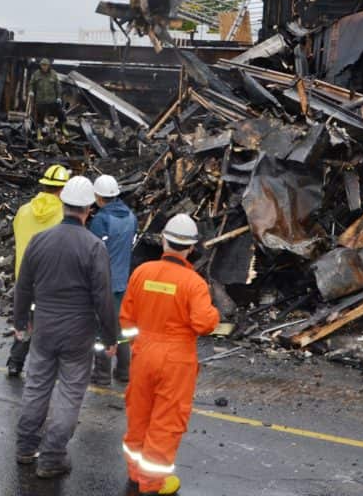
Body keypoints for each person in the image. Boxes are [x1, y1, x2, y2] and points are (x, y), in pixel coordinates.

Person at [14, 176, 117, 479]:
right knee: (70, 394)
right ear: (88, 209)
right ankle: (52, 457)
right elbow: (103, 298)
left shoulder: (40, 240)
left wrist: (20, 323)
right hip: (77, 333)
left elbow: (23, 287)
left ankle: (25, 447)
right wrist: (110, 337)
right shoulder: (93, 246)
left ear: (63, 204)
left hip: (44, 328)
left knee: (36, 388)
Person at [119, 214, 220, 496]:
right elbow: (205, 323)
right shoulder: (194, 283)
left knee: (139, 414)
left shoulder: (142, 272)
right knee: (166, 420)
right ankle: (152, 484)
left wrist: (139, 344)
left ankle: (135, 473)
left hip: (144, 353)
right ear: (191, 247)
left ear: (164, 240)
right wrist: (214, 311)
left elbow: (126, 318)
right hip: (176, 359)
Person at [6, 163, 70, 376]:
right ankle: (44, 368)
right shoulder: (63, 216)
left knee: (24, 322)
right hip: (50, 282)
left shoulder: (23, 211)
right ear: (63, 189)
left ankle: (15, 362)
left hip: (23, 278)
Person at [89, 174, 138, 386]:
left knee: (102, 329)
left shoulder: (101, 220)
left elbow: (92, 251)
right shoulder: (130, 216)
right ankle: (124, 370)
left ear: (98, 197)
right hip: (123, 282)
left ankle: (101, 374)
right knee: (122, 327)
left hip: (103, 282)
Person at [30, 58, 65, 131]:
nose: (44, 67)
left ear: (49, 66)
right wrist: (31, 91)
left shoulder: (53, 74)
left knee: (60, 113)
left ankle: (62, 128)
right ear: (40, 66)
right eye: (42, 65)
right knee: (40, 117)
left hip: (52, 100)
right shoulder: (36, 74)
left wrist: (58, 97)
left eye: (45, 65)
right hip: (40, 100)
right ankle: (39, 131)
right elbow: (31, 84)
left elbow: (58, 86)